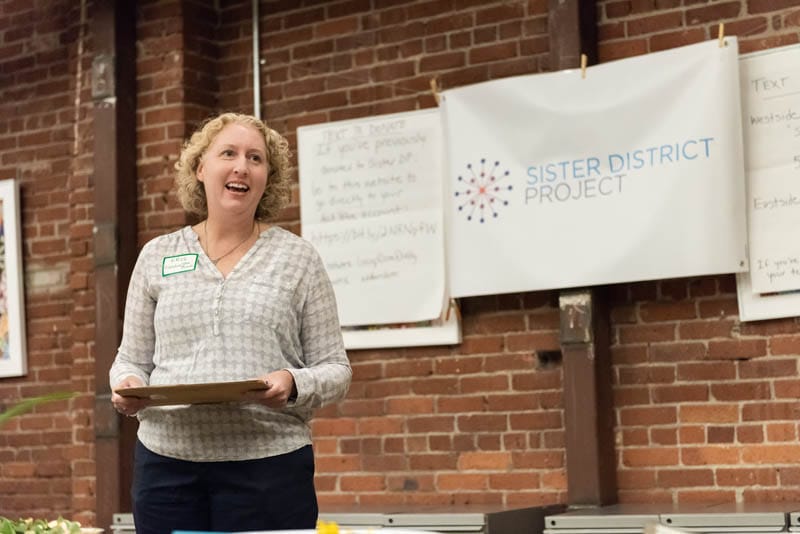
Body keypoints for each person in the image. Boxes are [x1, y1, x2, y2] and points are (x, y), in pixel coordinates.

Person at [109, 112, 351, 534]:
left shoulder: (298, 259)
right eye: (229, 153)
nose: (242, 166)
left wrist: (294, 383)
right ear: (201, 168)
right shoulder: (156, 257)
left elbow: (336, 369)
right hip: (167, 471)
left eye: (255, 158)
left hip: (269, 470)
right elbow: (130, 359)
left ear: (266, 178)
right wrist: (128, 384)